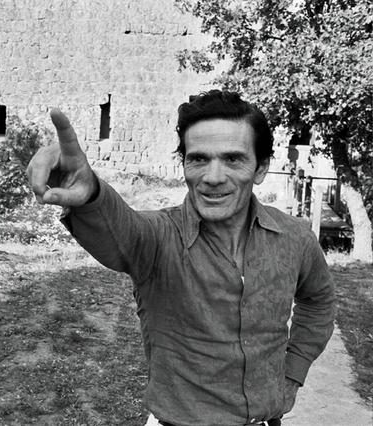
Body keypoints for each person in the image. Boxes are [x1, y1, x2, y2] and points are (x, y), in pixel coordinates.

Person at [26, 90, 336, 426]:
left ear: (260, 168)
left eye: (233, 159)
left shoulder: (294, 237)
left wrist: (293, 373)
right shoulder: (159, 238)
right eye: (198, 159)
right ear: (184, 164)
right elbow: (121, 232)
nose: (213, 177)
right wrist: (91, 195)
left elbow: (319, 300)